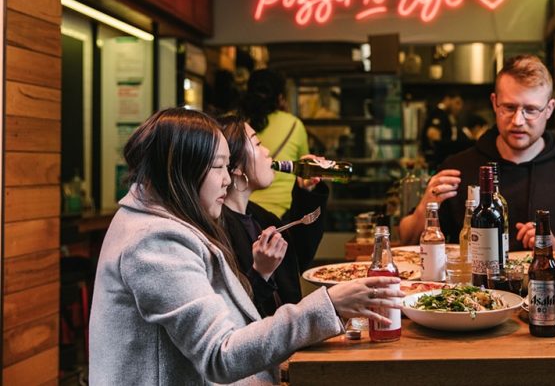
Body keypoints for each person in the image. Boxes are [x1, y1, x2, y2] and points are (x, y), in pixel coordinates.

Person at [88, 108, 403, 385]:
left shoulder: (169, 220)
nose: (227, 179)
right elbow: (220, 355)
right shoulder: (155, 241)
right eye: (218, 166)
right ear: (184, 169)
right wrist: (328, 306)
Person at [399, 55, 555, 248]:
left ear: (549, 109)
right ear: (495, 103)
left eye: (530, 110)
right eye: (509, 107)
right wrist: (425, 207)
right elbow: (407, 240)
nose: (518, 121)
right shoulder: (458, 168)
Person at [218, 114, 328, 317]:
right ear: (235, 166)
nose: (267, 151)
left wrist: (307, 192)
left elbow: (299, 257)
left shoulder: (261, 217)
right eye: (257, 144)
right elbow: (231, 315)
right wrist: (261, 272)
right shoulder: (218, 229)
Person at [242, 68, 310, 218]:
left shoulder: (234, 123)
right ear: (280, 97)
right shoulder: (293, 124)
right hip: (281, 213)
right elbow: (304, 168)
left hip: (241, 210)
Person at [420, 90, 463, 170]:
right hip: (437, 162)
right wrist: (444, 151)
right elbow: (432, 134)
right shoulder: (439, 113)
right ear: (447, 99)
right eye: (457, 103)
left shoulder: (443, 114)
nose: (459, 107)